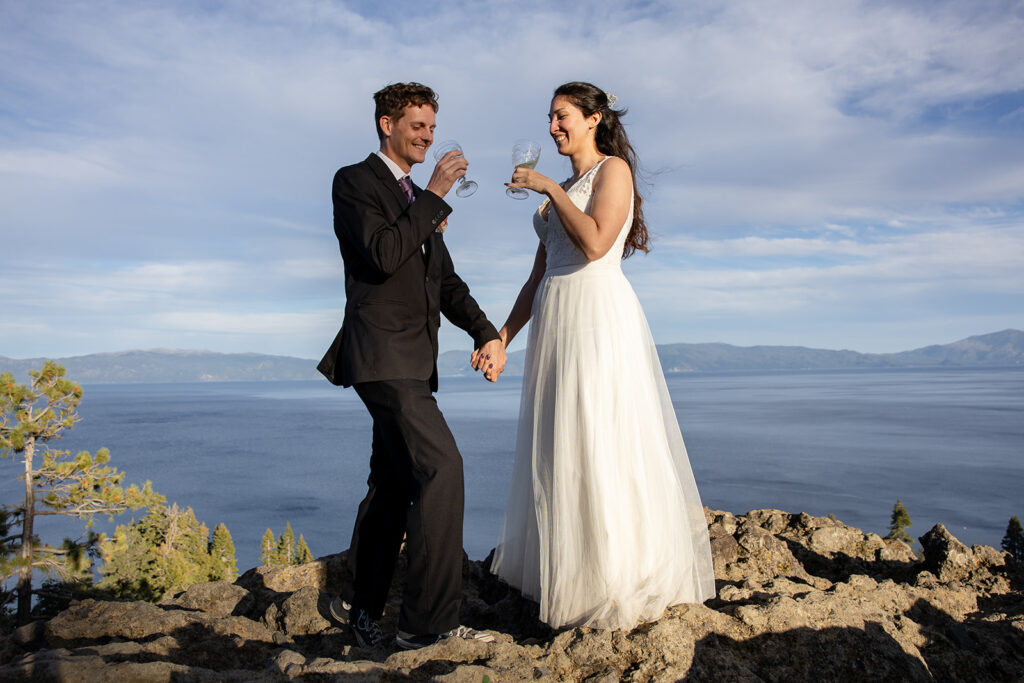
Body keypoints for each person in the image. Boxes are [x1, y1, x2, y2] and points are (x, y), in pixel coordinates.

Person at [489, 81, 716, 630]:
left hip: (596, 316)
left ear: (593, 118)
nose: (553, 128)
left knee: (601, 437)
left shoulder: (613, 172)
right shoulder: (561, 189)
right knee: (561, 443)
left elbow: (594, 243)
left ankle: (614, 582)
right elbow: (538, 273)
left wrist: (548, 188)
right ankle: (569, 578)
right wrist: (502, 337)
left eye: (562, 116)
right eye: (549, 118)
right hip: (555, 318)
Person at [318, 82, 506, 649]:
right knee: (442, 469)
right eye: (417, 126)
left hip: (411, 362)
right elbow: (381, 255)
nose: (427, 137)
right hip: (381, 356)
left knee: (395, 483)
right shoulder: (354, 182)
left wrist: (486, 331)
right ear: (386, 125)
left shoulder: (415, 200)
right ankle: (430, 626)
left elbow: (443, 282)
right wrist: (435, 195)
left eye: (431, 127)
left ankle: (363, 609)